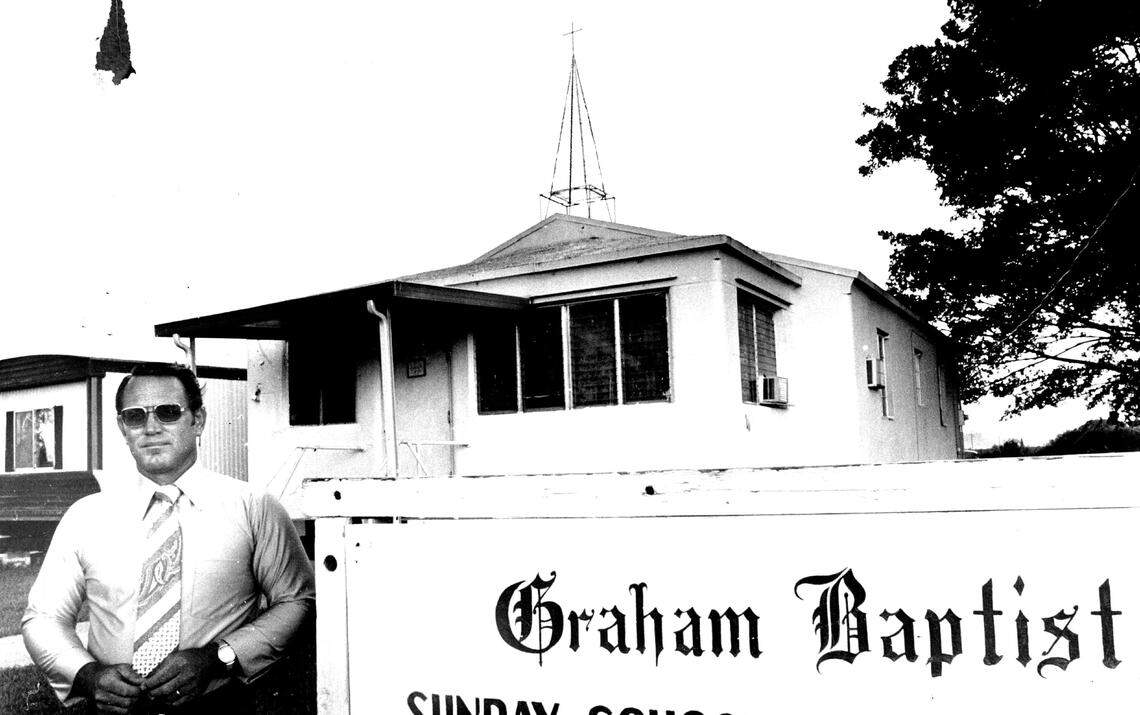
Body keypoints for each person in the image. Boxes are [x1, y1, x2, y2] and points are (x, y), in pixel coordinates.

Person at [23, 364, 315, 713]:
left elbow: (298, 600)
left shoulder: (253, 507)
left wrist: (219, 657)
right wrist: (88, 675)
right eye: (135, 416)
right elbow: (43, 617)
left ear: (198, 420)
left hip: (220, 705)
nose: (150, 428)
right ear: (122, 428)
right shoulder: (85, 516)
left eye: (168, 412)